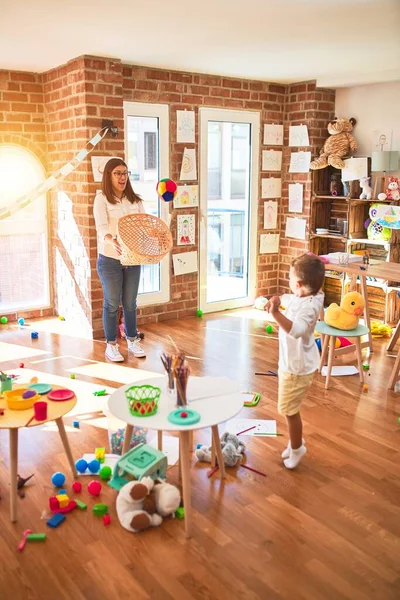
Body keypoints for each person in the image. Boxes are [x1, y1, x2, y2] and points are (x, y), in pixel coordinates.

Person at [265, 254, 325, 469]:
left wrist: (274, 313)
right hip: (291, 364)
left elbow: (297, 330)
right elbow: (290, 299)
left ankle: (298, 448)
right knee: (288, 408)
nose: (288, 283)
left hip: (297, 367)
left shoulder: (309, 308)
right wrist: (278, 300)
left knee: (289, 411)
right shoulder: (309, 296)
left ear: (298, 284)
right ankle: (294, 443)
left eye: (290, 279)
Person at [93, 157, 146, 362]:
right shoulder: (101, 199)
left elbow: (143, 225)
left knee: (130, 303)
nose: (122, 177)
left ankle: (132, 340)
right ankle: (111, 345)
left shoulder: (135, 200)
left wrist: (153, 237)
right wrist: (110, 239)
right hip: (110, 260)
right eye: (118, 173)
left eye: (125, 173)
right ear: (109, 176)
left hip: (132, 258)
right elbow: (101, 227)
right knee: (112, 303)